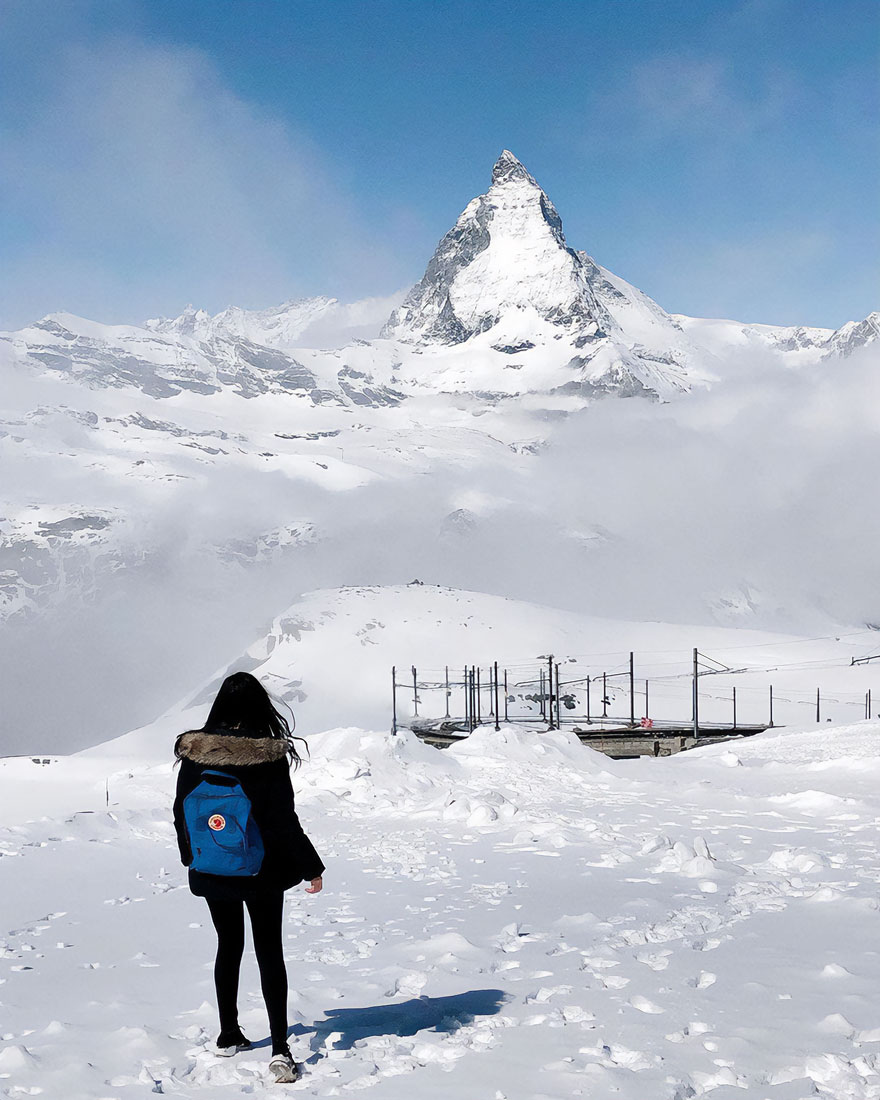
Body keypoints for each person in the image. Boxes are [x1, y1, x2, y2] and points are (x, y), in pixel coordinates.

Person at [172, 672, 324, 1084]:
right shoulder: (267, 755)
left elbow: (180, 810)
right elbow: (281, 820)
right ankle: (279, 1049)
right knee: (269, 951)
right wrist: (311, 866)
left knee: (228, 945)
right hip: (263, 870)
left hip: (212, 869)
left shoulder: (195, 751)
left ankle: (228, 1033)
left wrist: (194, 857)